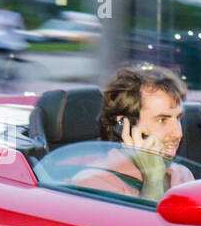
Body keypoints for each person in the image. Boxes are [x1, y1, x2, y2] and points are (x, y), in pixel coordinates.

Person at [73, 64, 193, 201]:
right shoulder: (93, 184)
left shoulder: (181, 175)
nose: (178, 133)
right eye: (162, 120)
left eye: (178, 118)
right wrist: (153, 180)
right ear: (125, 125)